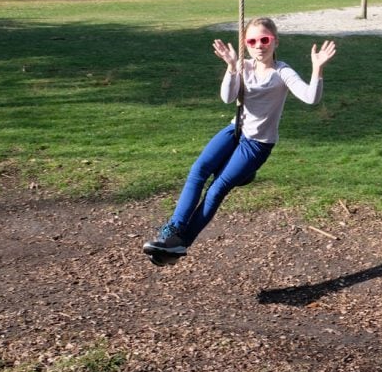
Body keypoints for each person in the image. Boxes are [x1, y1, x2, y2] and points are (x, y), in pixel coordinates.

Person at [143, 17, 336, 264]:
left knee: (217, 187)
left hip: (257, 144)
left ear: (275, 41)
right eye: (252, 41)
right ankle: (171, 232)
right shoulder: (242, 66)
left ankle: (181, 244)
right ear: (246, 43)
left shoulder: (282, 72)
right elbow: (227, 97)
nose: (259, 45)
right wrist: (232, 67)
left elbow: (311, 98)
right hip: (235, 131)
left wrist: (317, 68)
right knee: (198, 170)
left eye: (264, 40)